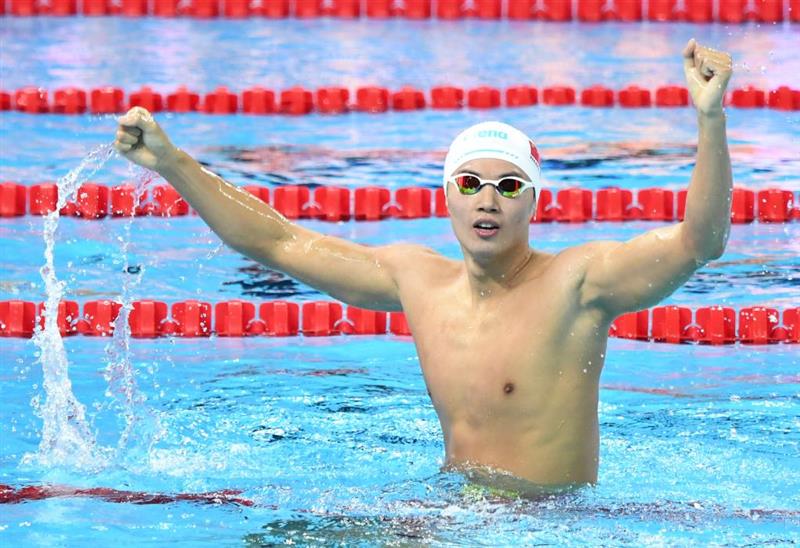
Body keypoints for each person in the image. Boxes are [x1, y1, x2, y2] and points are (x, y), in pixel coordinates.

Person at [114, 39, 733, 498]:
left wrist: (710, 118)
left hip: (548, 526)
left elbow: (698, 244)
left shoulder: (579, 284)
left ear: (534, 203)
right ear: (446, 197)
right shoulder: (419, 282)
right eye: (470, 183)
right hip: (453, 511)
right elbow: (278, 243)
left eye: (508, 186)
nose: (487, 200)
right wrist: (172, 164)